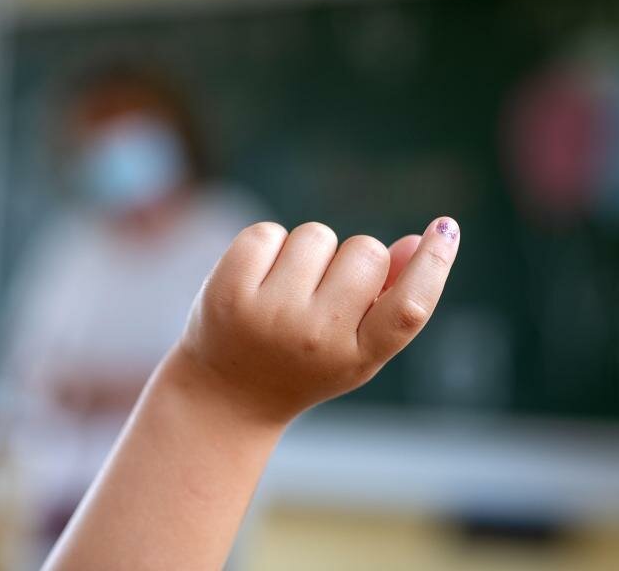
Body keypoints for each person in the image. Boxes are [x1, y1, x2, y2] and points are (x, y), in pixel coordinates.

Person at [41, 215, 461, 570]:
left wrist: (225, 389)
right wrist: (226, 394)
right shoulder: (75, 245)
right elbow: (37, 365)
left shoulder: (219, 225)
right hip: (53, 491)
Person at [2, 63, 266, 530]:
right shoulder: (71, 244)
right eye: (99, 138)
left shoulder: (229, 233)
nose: (116, 151)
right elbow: (27, 366)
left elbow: (249, 371)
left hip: (187, 506)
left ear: (174, 138)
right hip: (62, 504)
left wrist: (111, 389)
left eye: (132, 133)